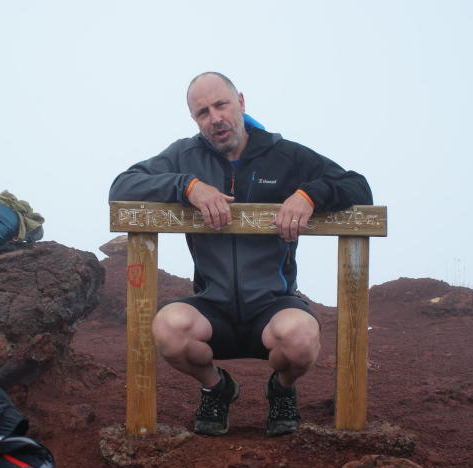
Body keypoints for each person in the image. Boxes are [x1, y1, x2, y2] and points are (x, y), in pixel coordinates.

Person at [109, 72, 373, 436]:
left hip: (272, 306)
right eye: (202, 112)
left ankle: (281, 390)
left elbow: (357, 187)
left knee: (299, 339)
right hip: (212, 305)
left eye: (221, 105)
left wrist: (308, 194)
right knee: (168, 328)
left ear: (241, 103)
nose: (214, 117)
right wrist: (187, 185)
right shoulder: (185, 157)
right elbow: (121, 186)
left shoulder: (285, 155)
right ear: (194, 120)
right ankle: (217, 388)